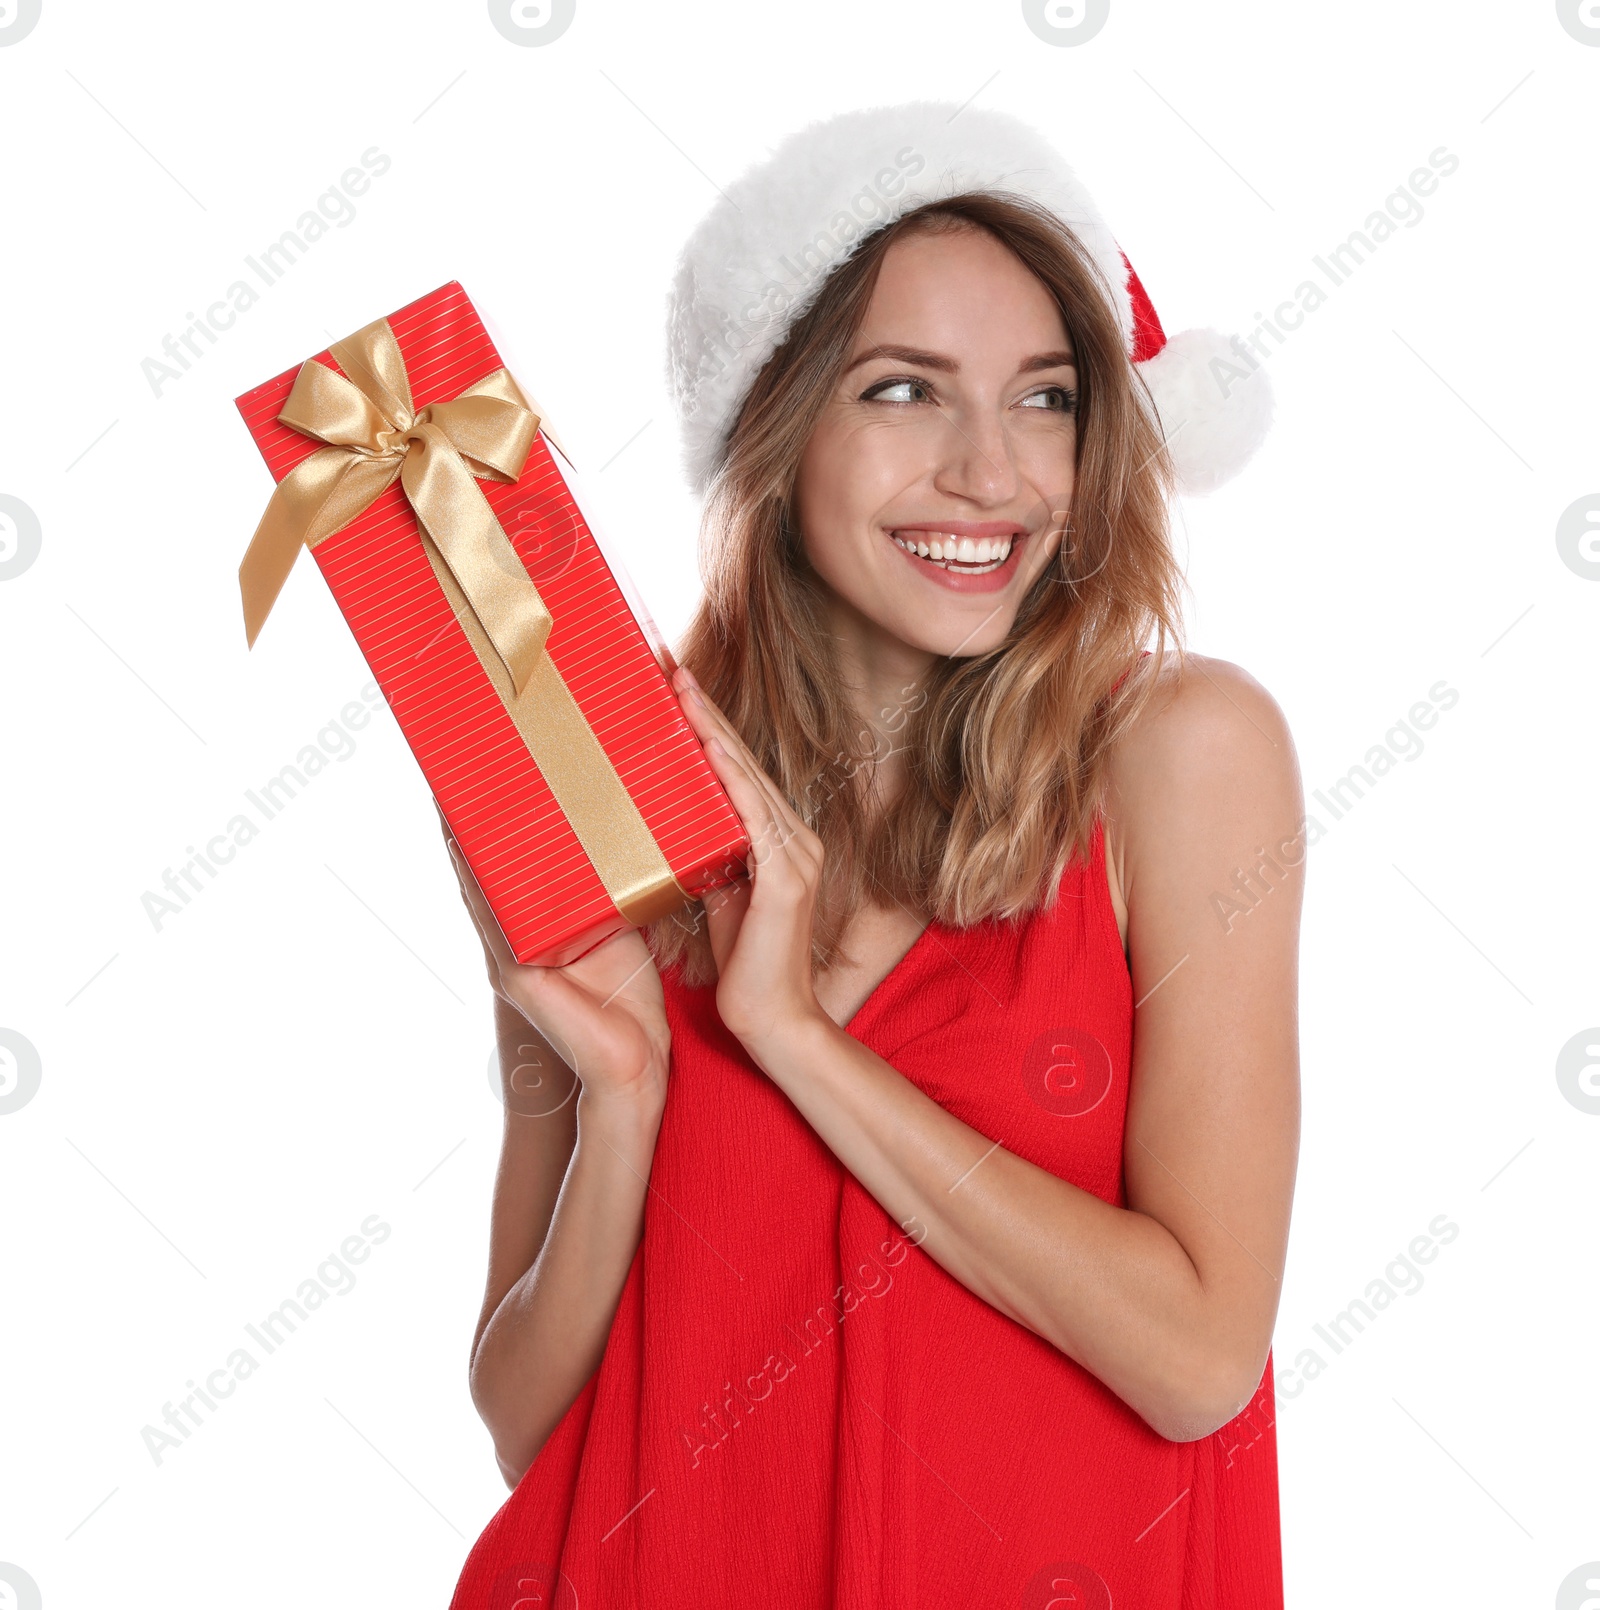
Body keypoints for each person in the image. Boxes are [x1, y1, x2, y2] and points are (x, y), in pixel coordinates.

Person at [443, 101, 1301, 1609]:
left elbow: (1198, 1357)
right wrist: (628, 1093)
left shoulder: (1185, 757)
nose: (993, 472)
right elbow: (525, 1422)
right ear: (774, 432)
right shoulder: (615, 783)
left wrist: (791, 1033)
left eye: (1044, 399)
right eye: (906, 390)